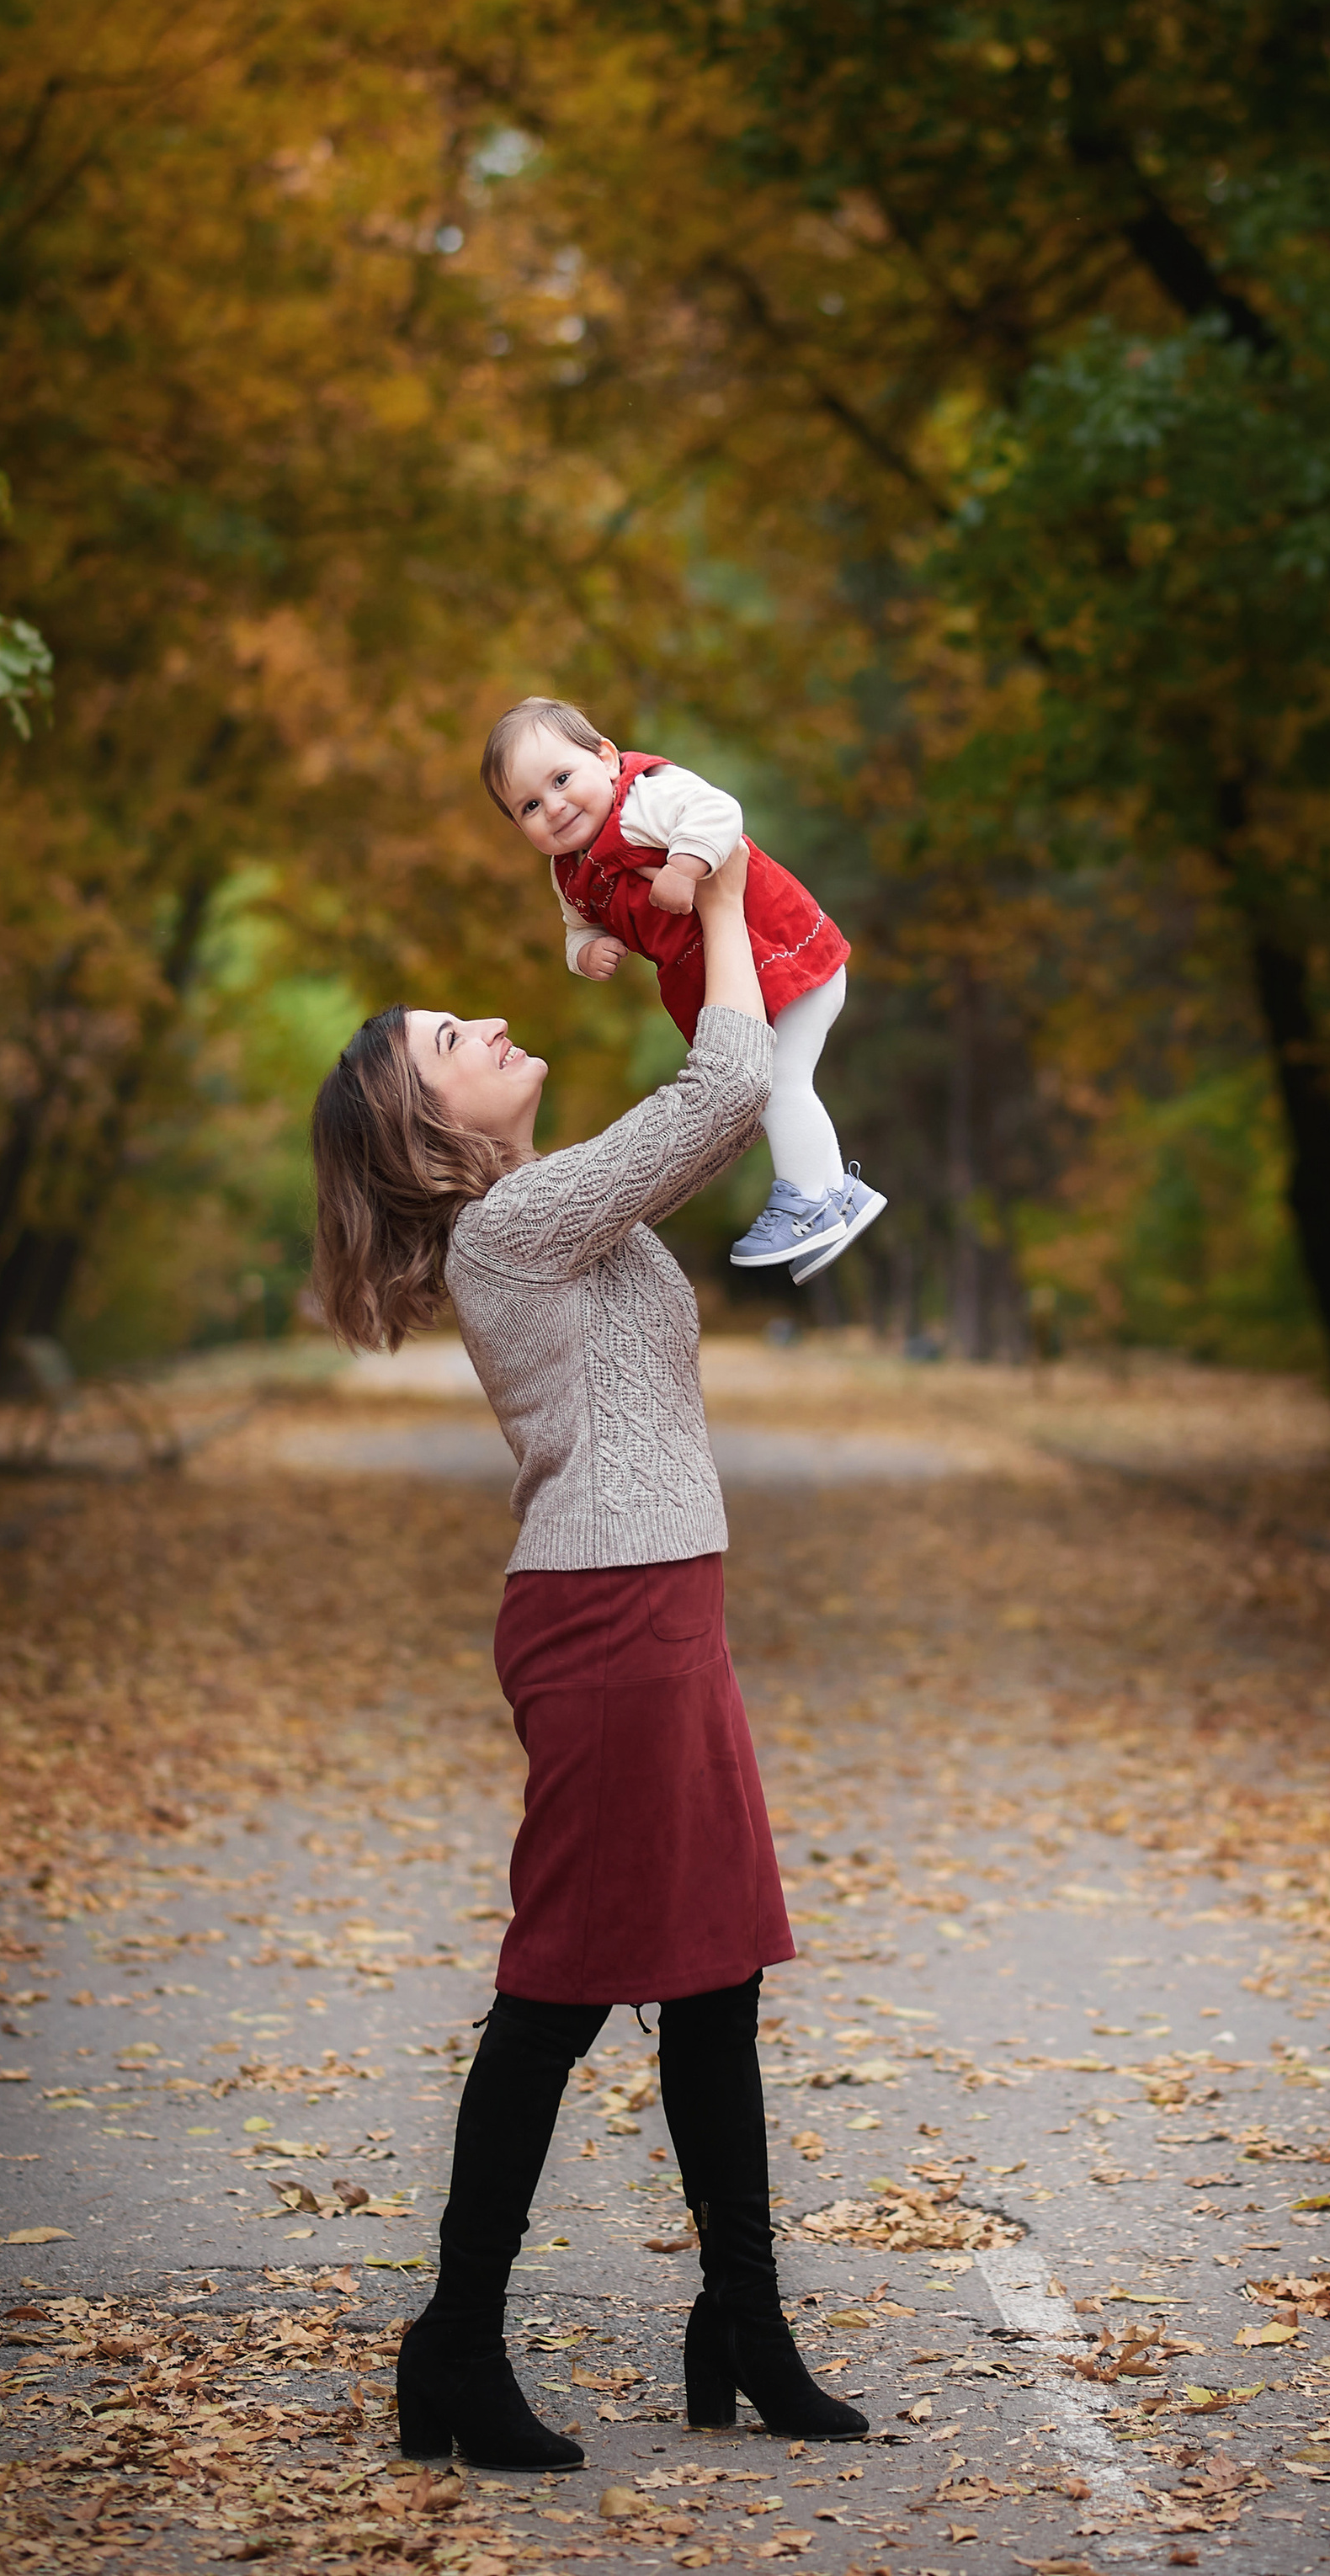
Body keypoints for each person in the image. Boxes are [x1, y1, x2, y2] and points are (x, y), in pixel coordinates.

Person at [307, 844, 867, 2467]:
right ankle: (453, 2345)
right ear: (430, 1125)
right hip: (611, 1618)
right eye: (450, 1039)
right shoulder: (518, 1226)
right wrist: (705, 890)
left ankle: (743, 2318)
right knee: (558, 1988)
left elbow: (716, 1095)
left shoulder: (557, 1210)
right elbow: (729, 1079)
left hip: (658, 1604)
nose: (488, 1021)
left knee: (713, 1977)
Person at [480, 693, 883, 1285]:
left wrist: (685, 866)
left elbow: (719, 814)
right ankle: (836, 1197)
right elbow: (578, 925)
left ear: (607, 757)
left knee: (776, 1085)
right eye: (530, 806)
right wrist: (585, 951)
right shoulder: (568, 872)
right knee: (775, 1085)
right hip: (735, 981)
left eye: (563, 778)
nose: (556, 806)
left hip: (780, 954)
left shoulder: (645, 799)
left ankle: (809, 1200)